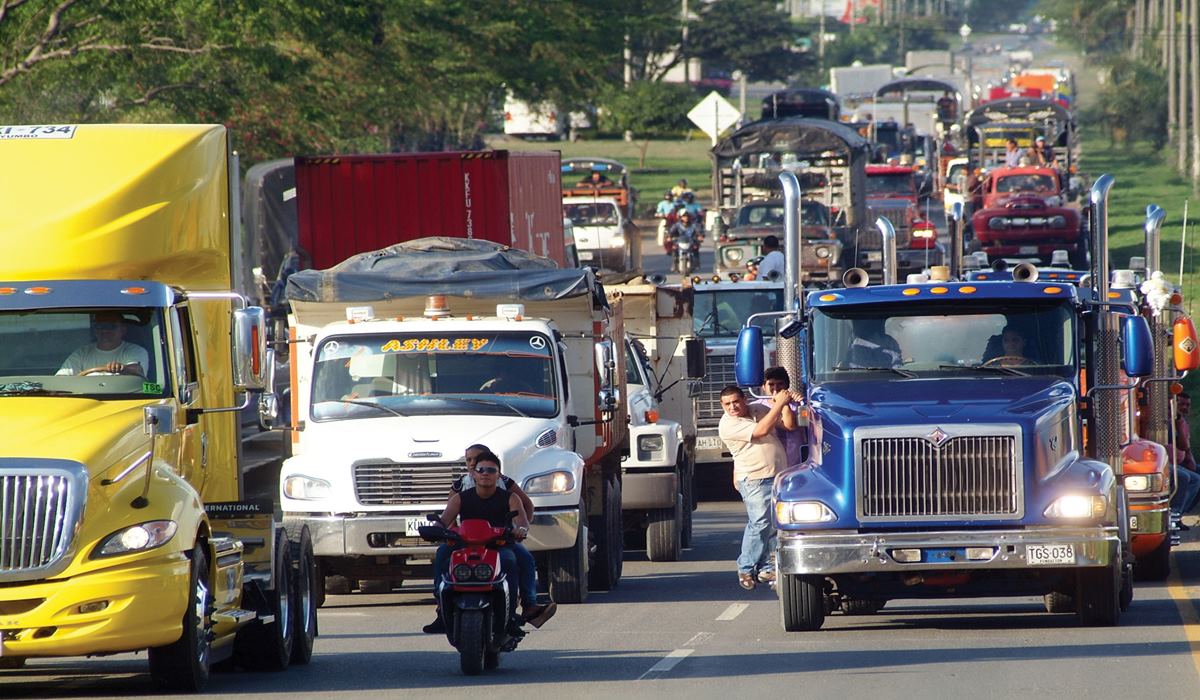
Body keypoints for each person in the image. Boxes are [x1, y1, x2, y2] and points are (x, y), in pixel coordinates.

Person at [425, 450, 556, 633]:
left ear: (498, 474)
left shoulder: (511, 497)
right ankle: (442, 608)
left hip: (500, 545)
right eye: (481, 469)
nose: (485, 473)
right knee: (442, 553)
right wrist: (435, 528)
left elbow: (522, 522)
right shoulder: (460, 498)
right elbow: (444, 519)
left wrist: (520, 530)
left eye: (491, 470)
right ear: (473, 473)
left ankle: (525, 608)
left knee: (520, 559)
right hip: (466, 545)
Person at [718, 385, 789, 590]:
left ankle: (767, 567)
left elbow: (789, 425)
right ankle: (746, 568)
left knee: (775, 525)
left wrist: (784, 403)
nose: (733, 407)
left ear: (745, 400)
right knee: (759, 523)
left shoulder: (759, 409)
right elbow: (761, 430)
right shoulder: (728, 424)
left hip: (777, 476)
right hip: (755, 479)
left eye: (736, 401)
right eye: (727, 404)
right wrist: (779, 404)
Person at [57, 312, 148, 376]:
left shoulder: (135, 350)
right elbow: (61, 379)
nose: (105, 330)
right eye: (100, 326)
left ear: (123, 329)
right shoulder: (82, 353)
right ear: (95, 330)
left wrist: (123, 368)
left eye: (110, 326)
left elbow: (137, 370)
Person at [753, 367, 806, 468]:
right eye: (771, 384)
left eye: (780, 384)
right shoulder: (756, 407)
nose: (776, 388)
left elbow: (804, 423)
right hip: (770, 464)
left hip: (795, 462)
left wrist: (802, 403)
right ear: (763, 387)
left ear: (787, 386)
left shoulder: (799, 404)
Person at [1171, 392, 1200, 529]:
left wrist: (1191, 461)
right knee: (1189, 478)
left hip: (1180, 461)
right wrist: (1179, 421)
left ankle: (1181, 512)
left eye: (1187, 405)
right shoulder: (1170, 423)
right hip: (1170, 463)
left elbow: (1186, 449)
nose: (1184, 407)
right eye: (1181, 404)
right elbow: (1183, 445)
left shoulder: (1182, 422)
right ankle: (1175, 514)